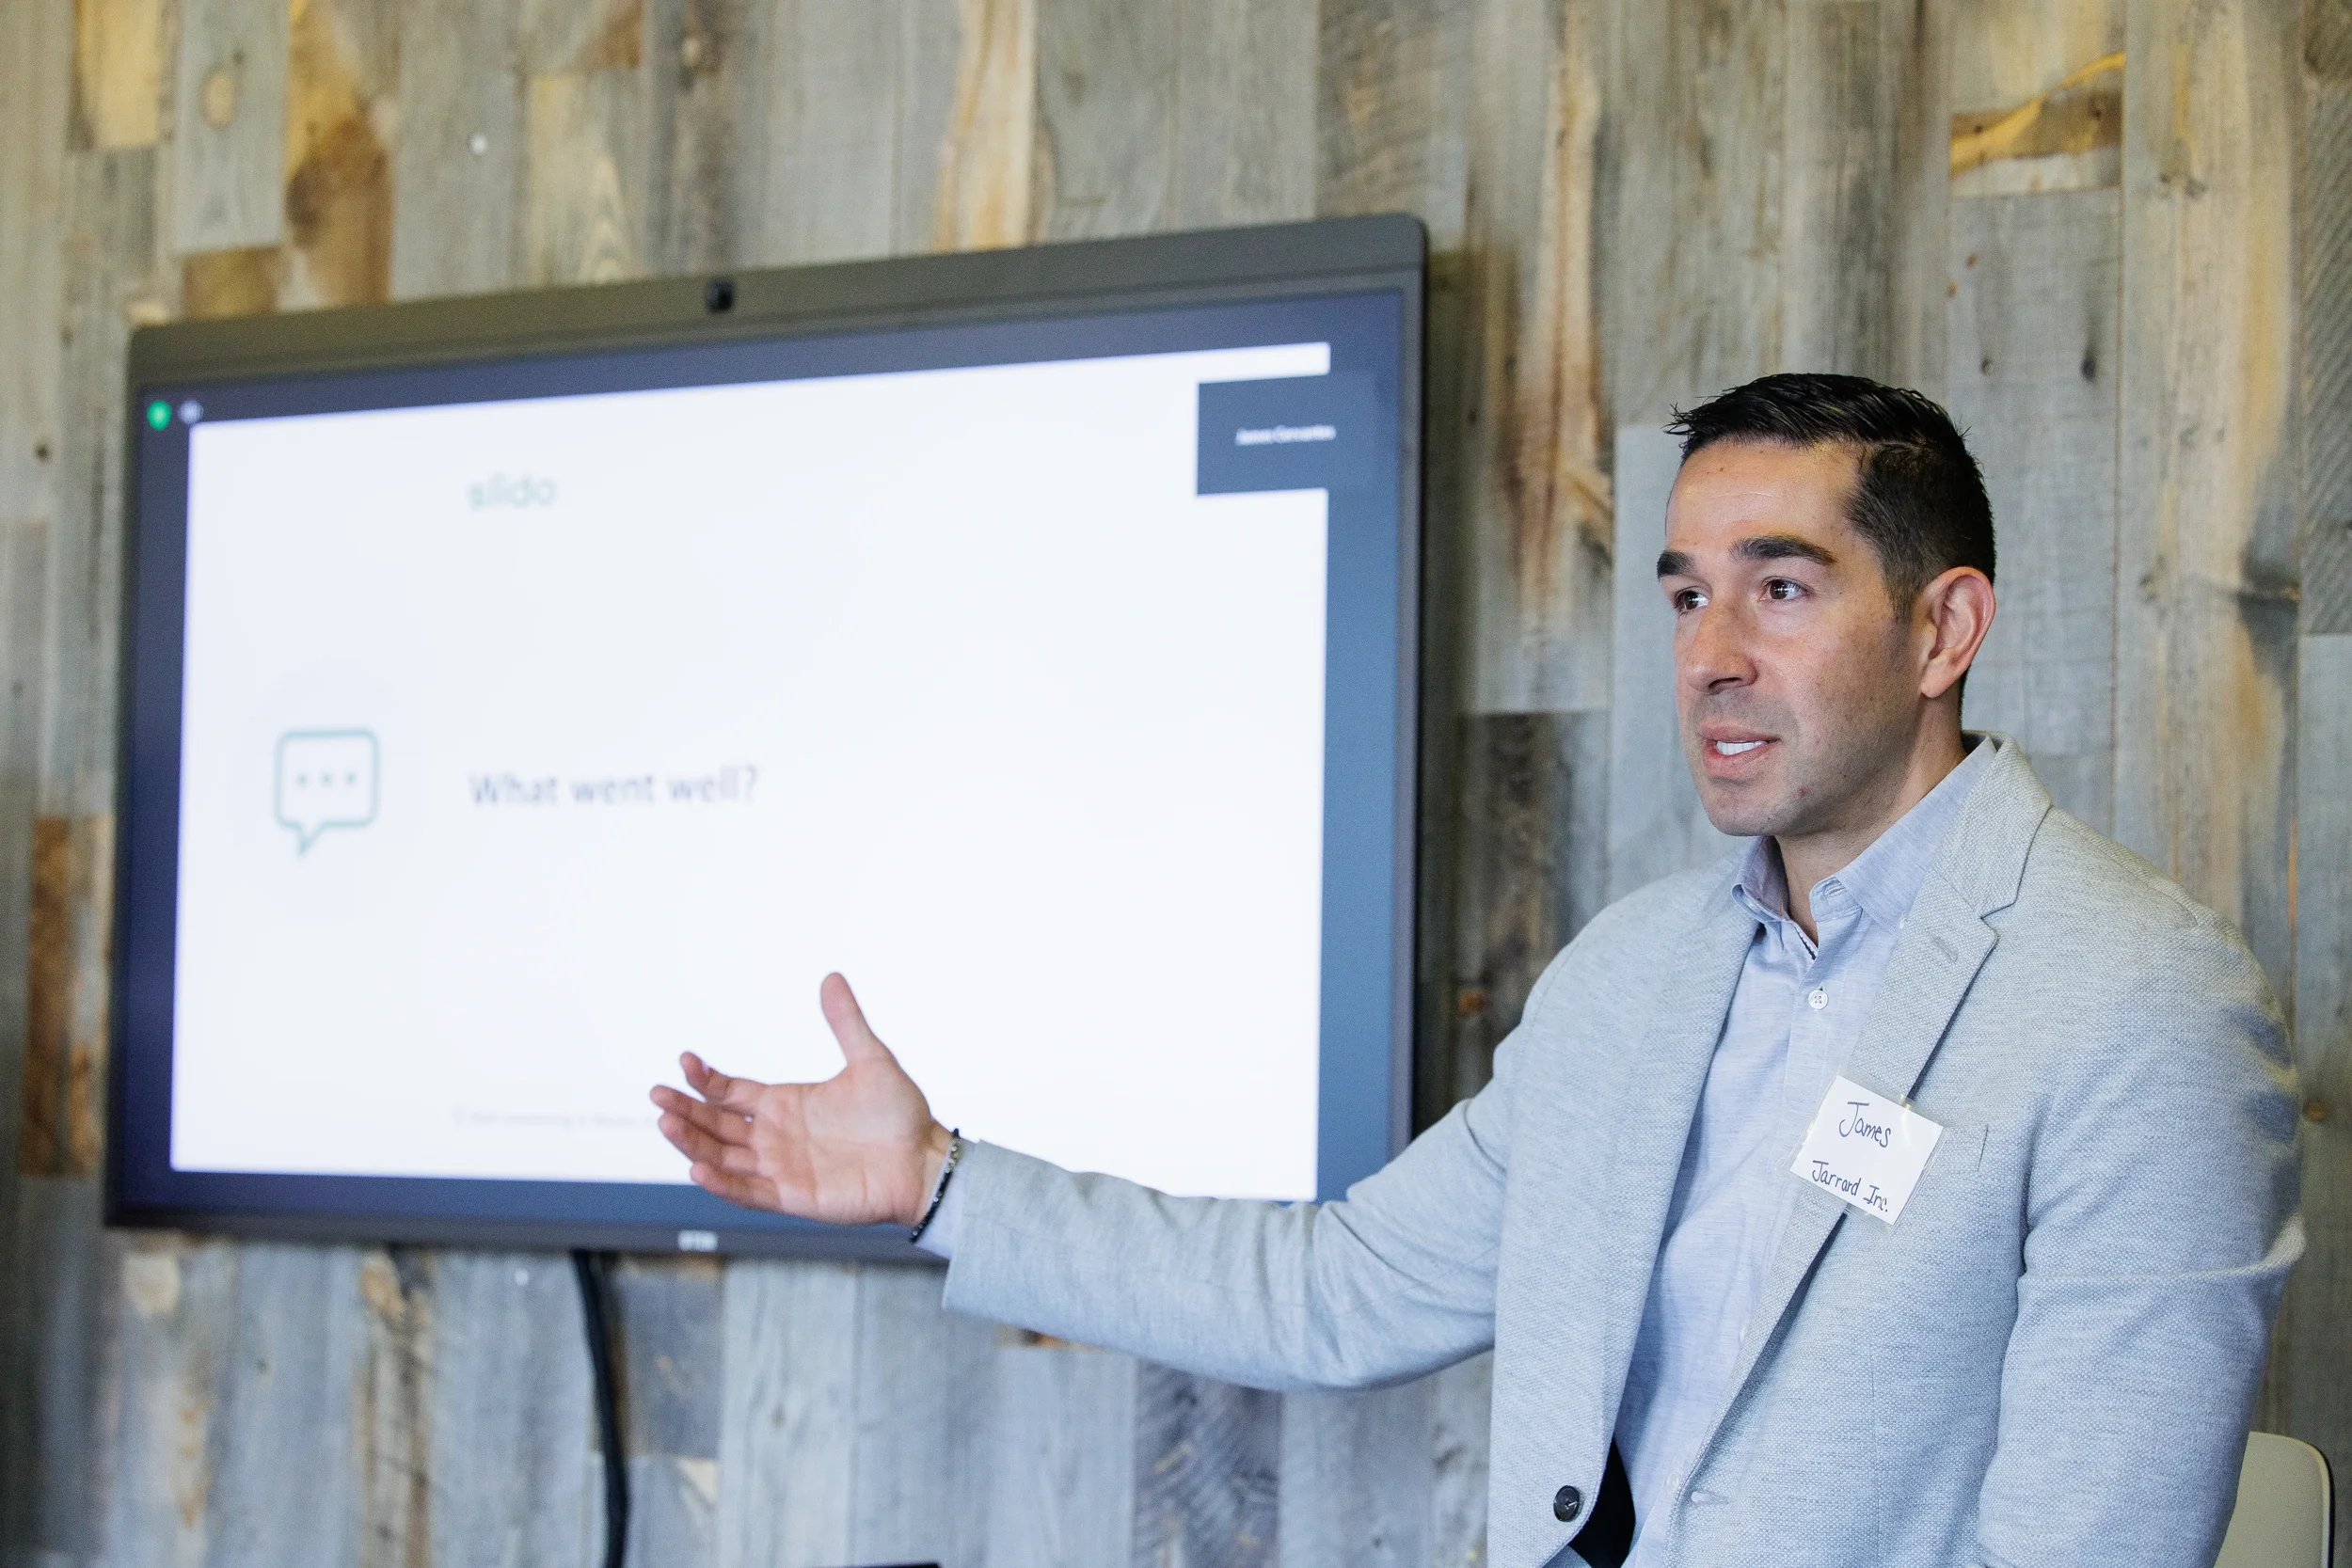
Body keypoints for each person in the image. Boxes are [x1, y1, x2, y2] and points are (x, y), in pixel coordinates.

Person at [650, 373, 2302, 1568]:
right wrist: (942, 1182)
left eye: (1782, 588)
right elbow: (1338, 1285)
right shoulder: (1632, 979)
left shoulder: (2137, 1007)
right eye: (1684, 595)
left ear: (1945, 631)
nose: (1712, 655)